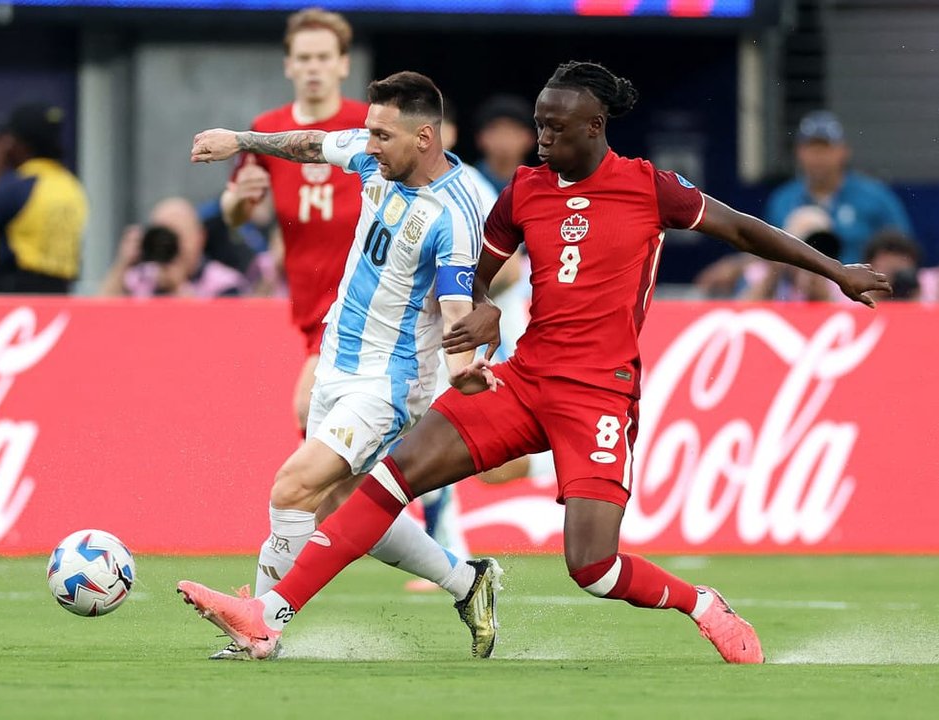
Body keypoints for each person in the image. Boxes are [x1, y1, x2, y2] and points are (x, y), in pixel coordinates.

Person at [177, 61, 891, 663]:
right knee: (388, 480)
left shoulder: (648, 186)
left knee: (594, 568)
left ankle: (699, 601)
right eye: (539, 124)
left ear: (594, 127)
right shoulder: (524, 191)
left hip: (599, 398)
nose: (541, 138)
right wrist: (480, 314)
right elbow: (476, 275)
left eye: (554, 127)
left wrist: (836, 271)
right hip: (523, 378)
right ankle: (269, 614)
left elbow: (742, 229)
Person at [178, 71, 504, 660]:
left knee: (293, 485)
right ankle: (468, 581)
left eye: (382, 134)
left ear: (424, 137)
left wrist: (462, 366)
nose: (367, 142)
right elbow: (310, 144)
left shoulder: (454, 215)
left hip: (389, 381)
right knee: (346, 504)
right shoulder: (374, 157)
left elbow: (459, 303)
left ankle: (261, 627)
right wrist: (240, 139)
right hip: (335, 358)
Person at [221, 7, 369, 435]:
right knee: (334, 432)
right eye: (304, 58)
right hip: (308, 302)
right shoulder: (267, 130)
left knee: (310, 409)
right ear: (288, 65)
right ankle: (416, 499)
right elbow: (236, 215)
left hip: (360, 295)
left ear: (343, 64)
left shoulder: (365, 124)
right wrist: (239, 198)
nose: (313, 68)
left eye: (324, 57)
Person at [0, 102, 86, 294]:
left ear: (18, 144)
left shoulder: (19, 187)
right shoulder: (72, 187)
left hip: (16, 299)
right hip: (61, 296)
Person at [766, 110, 914, 264]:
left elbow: (904, 254)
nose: (818, 156)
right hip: (797, 287)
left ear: (844, 151)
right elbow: (766, 258)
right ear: (798, 152)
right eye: (811, 147)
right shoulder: (782, 200)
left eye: (826, 147)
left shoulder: (876, 197)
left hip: (859, 286)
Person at [100, 197, 252, 298]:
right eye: (164, 235)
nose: (169, 244)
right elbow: (100, 317)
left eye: (177, 236)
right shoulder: (140, 277)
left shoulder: (225, 283)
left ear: (200, 238)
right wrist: (123, 263)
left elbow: (221, 335)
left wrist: (178, 287)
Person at [472, 93, 536, 194]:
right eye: (495, 130)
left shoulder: (540, 188)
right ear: (480, 138)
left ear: (530, 139)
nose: (504, 138)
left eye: (513, 131)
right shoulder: (465, 182)